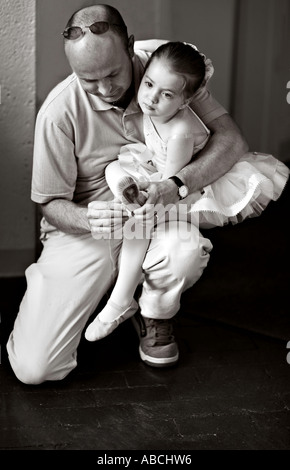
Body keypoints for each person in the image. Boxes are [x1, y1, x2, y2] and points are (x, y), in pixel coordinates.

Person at [6, 4, 251, 384]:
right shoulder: (57, 113)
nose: (104, 89)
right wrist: (89, 218)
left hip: (160, 212)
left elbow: (231, 140)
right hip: (90, 226)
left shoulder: (164, 67)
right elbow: (49, 205)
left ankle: (152, 311)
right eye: (88, 80)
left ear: (131, 48)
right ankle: (97, 297)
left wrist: (176, 184)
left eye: (113, 74)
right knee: (34, 369)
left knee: (183, 253)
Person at [84, 41, 289, 344]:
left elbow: (166, 190)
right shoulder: (150, 97)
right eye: (149, 84)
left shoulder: (180, 131)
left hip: (183, 185)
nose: (152, 98)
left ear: (184, 101)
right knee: (112, 170)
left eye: (166, 94)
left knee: (140, 222)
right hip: (155, 166)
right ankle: (124, 192)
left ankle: (121, 299)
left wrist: (144, 202)